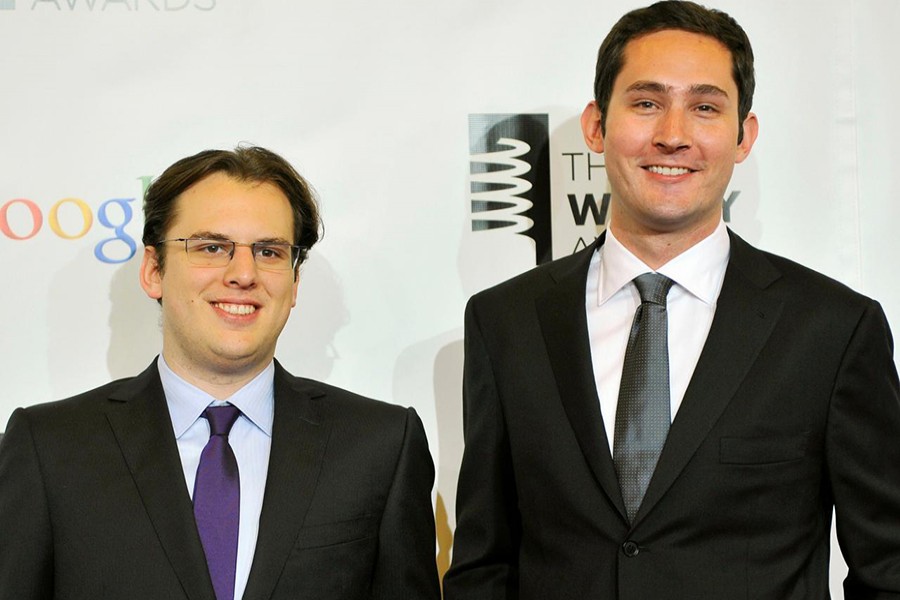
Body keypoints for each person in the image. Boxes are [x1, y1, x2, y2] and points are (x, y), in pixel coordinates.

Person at [443, 2, 900, 598]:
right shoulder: (505, 322)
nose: (673, 135)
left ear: (744, 137)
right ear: (596, 126)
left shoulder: (833, 330)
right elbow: (484, 563)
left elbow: (890, 567)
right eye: (646, 102)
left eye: (705, 107)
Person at [0, 146, 440, 600]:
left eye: (269, 251)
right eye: (212, 247)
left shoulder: (380, 446)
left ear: (294, 284)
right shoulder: (48, 448)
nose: (244, 273)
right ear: (153, 270)